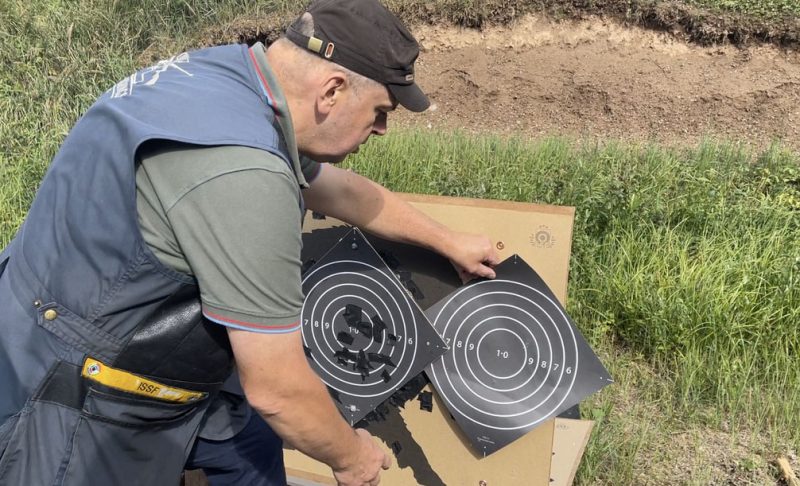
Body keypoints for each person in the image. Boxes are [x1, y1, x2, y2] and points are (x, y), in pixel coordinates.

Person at [0, 1, 499, 485]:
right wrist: (352, 457)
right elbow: (278, 390)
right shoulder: (244, 174)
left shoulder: (225, 76)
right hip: (77, 384)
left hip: (106, 323)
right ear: (332, 90)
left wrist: (448, 240)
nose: (383, 129)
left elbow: (335, 187)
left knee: (252, 444)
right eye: (380, 111)